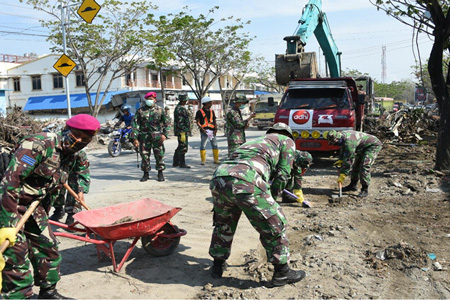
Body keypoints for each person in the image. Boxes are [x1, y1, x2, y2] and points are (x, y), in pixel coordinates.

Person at [0, 114, 100, 299]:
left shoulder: (73, 153)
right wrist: (6, 224)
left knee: (48, 247)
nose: (79, 142)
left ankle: (48, 293)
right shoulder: (38, 145)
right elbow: (10, 183)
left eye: (86, 140)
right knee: (16, 256)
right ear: (67, 130)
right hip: (9, 205)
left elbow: (76, 173)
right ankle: (18, 297)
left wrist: (80, 190)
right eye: (77, 135)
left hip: (33, 207)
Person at [208, 122, 306, 287]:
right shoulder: (287, 141)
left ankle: (217, 266)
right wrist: (273, 199)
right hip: (246, 179)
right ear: (288, 134)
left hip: (219, 178)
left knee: (223, 223)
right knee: (275, 223)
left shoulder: (258, 141)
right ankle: (282, 272)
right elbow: (283, 175)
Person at [326, 130, 382, 197]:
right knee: (356, 165)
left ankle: (364, 189)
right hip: (362, 147)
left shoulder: (349, 142)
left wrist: (343, 174)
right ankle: (353, 185)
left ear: (338, 139)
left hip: (373, 145)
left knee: (365, 165)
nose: (333, 144)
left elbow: (349, 160)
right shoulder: (342, 136)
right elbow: (343, 149)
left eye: (334, 143)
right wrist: (341, 160)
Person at [131, 91, 170, 182]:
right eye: (148, 99)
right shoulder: (140, 111)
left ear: (155, 100)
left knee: (159, 155)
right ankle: (146, 173)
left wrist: (165, 135)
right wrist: (135, 138)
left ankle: (160, 173)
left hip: (157, 137)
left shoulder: (160, 110)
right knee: (144, 156)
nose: (149, 101)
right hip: (144, 137)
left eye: (151, 99)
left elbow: (167, 123)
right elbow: (135, 125)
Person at [49, 149, 90, 225]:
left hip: (74, 169)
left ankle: (71, 215)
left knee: (76, 189)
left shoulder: (80, 153)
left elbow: (83, 172)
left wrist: (81, 190)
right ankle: (58, 210)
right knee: (56, 186)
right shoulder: (55, 149)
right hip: (58, 168)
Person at [195, 96, 219, 165]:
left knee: (214, 145)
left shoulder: (212, 111)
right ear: (205, 103)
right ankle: (203, 161)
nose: (211, 104)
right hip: (204, 131)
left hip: (212, 131)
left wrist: (215, 129)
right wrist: (202, 129)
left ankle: (216, 160)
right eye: (210, 103)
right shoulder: (199, 112)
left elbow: (214, 120)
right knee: (203, 145)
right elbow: (198, 122)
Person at [173, 94, 191, 168]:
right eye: (185, 100)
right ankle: (182, 163)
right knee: (183, 146)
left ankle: (176, 162)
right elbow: (180, 121)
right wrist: (183, 131)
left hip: (181, 130)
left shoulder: (179, 108)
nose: (186, 101)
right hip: (182, 131)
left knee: (180, 145)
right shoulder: (180, 109)